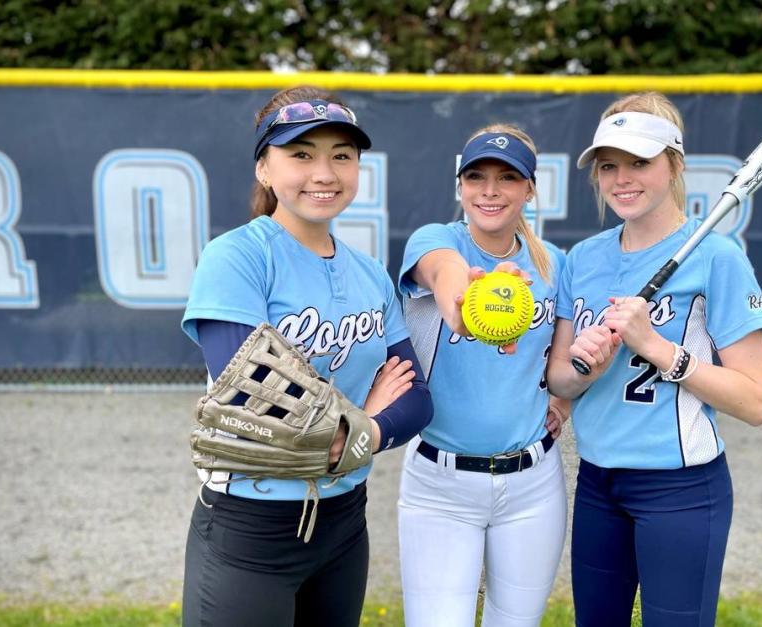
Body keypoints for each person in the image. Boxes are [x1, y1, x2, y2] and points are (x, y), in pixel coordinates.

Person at [179, 85, 432, 627]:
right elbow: (251, 395)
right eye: (301, 154)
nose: (324, 172)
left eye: (341, 155)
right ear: (265, 170)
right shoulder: (238, 257)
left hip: (344, 522)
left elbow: (417, 400)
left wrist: (353, 434)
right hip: (251, 524)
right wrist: (365, 421)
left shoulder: (368, 273)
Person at [546, 92, 762, 627]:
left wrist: (659, 349)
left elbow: (757, 402)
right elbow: (559, 379)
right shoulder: (583, 258)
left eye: (639, 162)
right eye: (608, 166)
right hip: (598, 483)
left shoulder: (716, 257)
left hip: (681, 489)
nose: (622, 178)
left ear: (673, 164)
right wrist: (583, 370)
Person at [397, 123, 571, 627]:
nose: (489, 190)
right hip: (440, 483)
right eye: (476, 176)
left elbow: (558, 364)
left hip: (533, 483)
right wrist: (464, 297)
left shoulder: (554, 265)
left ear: (530, 188)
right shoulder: (434, 240)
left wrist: (564, 404)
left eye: (507, 177)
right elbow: (444, 272)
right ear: (460, 186)